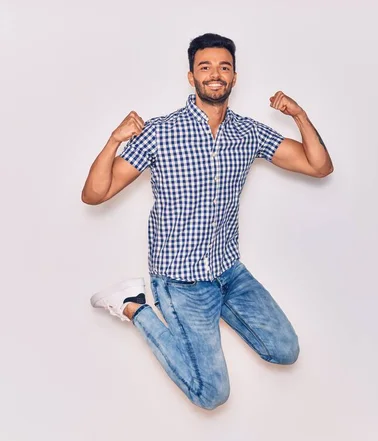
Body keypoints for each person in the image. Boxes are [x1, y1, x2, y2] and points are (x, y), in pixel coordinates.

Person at [81, 33, 333, 410]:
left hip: (229, 271)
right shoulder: (160, 132)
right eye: (205, 67)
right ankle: (133, 305)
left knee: (285, 350)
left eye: (224, 67)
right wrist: (113, 141)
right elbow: (95, 194)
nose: (215, 74)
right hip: (180, 279)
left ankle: (207, 309)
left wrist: (299, 115)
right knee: (212, 394)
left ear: (234, 77)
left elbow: (319, 166)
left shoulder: (248, 133)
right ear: (191, 76)